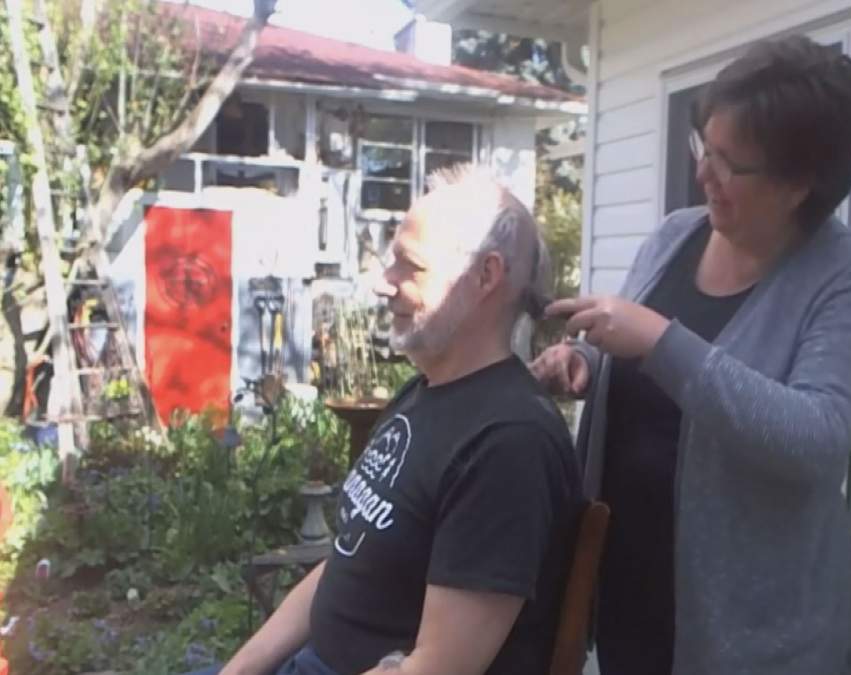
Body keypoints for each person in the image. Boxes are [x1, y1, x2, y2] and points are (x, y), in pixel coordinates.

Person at [531, 35, 851, 675]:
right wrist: (590, 366)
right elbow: (646, 372)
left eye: (729, 163)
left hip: (748, 638)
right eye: (705, 146)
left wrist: (660, 341)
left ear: (798, 184)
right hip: (625, 600)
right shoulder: (676, 235)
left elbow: (819, 439)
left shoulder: (850, 275)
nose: (704, 173)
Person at [203, 166, 582, 675]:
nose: (384, 284)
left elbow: (439, 666)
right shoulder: (425, 394)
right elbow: (346, 559)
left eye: (410, 266)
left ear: (485, 276)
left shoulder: (509, 444)